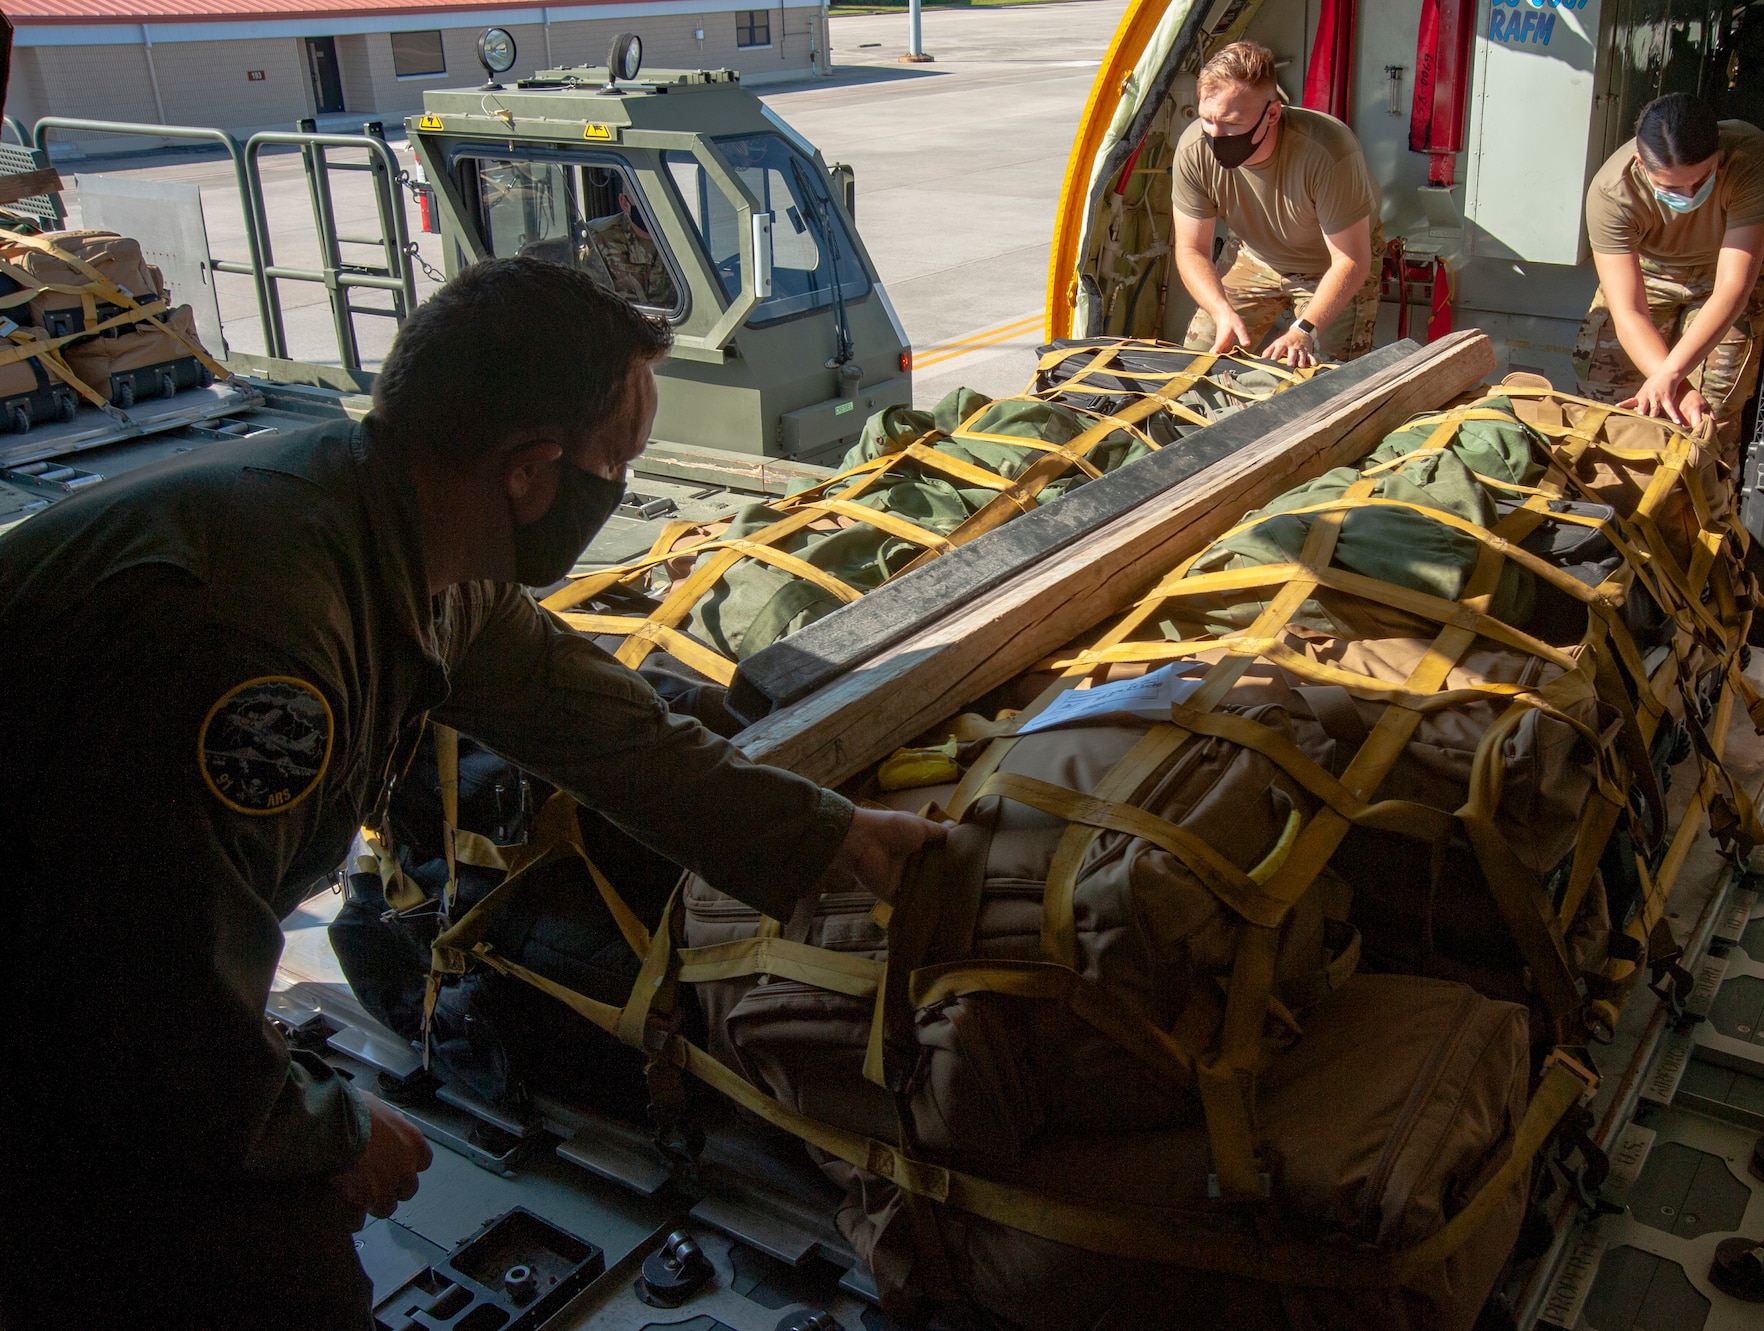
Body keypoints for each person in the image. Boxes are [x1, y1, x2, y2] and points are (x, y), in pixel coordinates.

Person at [0, 258, 944, 1330]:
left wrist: (828, 836)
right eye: (615, 461)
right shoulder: (260, 642)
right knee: (274, 1275)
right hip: (59, 1008)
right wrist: (324, 1128)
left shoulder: (401, 543)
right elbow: (140, 993)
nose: (621, 487)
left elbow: (602, 726)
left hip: (101, 969)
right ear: (530, 472)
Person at [1575, 93, 1764, 456]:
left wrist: (1671, 378)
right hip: (1650, 272)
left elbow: (1732, 287)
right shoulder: (1611, 191)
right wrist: (1675, 383)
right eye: (1671, 188)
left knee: (1712, 410)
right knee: (1605, 393)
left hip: (1725, 269)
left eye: (1701, 180)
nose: (1688, 194)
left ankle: (1707, 504)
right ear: (1641, 163)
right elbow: (1629, 312)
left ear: (1718, 155)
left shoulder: (1753, 157)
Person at [1172, 40, 1384, 369]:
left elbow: (1351, 260)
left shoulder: (1327, 151)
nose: (1216, 135)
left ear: (1271, 114)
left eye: (1232, 123)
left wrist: (1305, 329)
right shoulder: (1193, 149)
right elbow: (1191, 250)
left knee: (1331, 385)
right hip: (1254, 257)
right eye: (1207, 120)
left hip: (1329, 268)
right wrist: (1220, 309)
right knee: (1197, 363)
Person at [580, 190, 679, 306]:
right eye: (645, 203)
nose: (654, 209)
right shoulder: (597, 239)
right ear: (624, 203)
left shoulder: (682, 237)